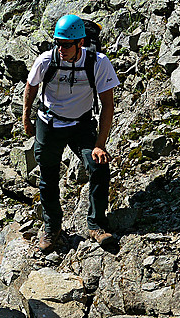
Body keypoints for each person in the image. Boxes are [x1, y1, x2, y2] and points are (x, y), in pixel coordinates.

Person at [22, 14, 120, 252]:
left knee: (98, 166)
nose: (61, 48)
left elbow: (108, 104)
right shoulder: (46, 61)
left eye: (66, 44)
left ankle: (97, 225)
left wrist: (100, 143)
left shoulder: (98, 62)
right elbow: (31, 86)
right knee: (47, 178)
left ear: (81, 43)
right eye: (58, 42)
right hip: (49, 123)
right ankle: (52, 228)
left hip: (81, 125)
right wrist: (26, 116)